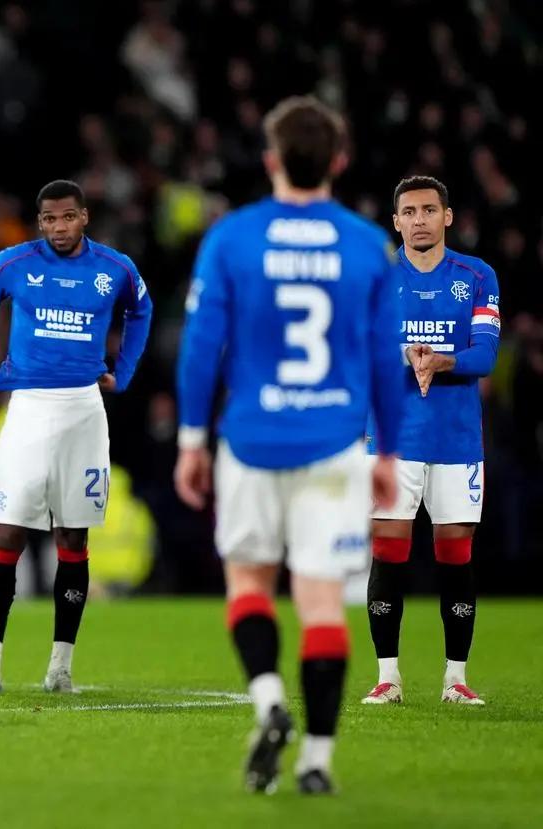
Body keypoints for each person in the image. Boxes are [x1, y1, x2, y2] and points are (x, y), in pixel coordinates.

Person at [174, 96, 403, 795]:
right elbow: (386, 360)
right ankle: (317, 761)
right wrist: (387, 450)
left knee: (249, 584)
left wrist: (191, 439)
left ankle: (271, 700)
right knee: (322, 600)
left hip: (250, 440)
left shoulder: (234, 238)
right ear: (338, 160)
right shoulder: (369, 244)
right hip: (335, 445)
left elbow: (201, 347)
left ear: (271, 159)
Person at [0, 179, 154, 695]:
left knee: (74, 537)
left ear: (83, 217)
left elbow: (141, 310)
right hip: (27, 411)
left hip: (85, 412)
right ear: (38, 221)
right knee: (9, 533)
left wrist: (124, 372)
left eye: (67, 218)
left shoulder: (114, 268)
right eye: (48, 219)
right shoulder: (12, 263)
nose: (58, 228)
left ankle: (60, 668)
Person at [361, 176, 500, 706]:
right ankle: (388, 677)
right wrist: (406, 357)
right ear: (395, 222)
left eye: (428, 210)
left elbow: (485, 355)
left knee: (455, 555)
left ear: (448, 216)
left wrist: (441, 362)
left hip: (458, 439)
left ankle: (456, 679)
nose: (419, 219)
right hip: (392, 438)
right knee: (389, 549)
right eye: (408, 212)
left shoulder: (477, 276)